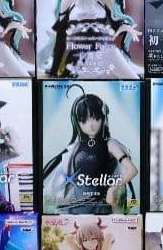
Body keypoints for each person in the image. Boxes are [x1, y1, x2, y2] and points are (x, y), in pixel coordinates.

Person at [42, 84, 138, 214]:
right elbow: (61, 178)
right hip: (74, 206)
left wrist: (113, 188)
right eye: (84, 121)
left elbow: (132, 170)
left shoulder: (109, 144)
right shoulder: (75, 148)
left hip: (100, 206)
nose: (91, 125)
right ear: (77, 123)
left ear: (103, 118)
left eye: (96, 118)